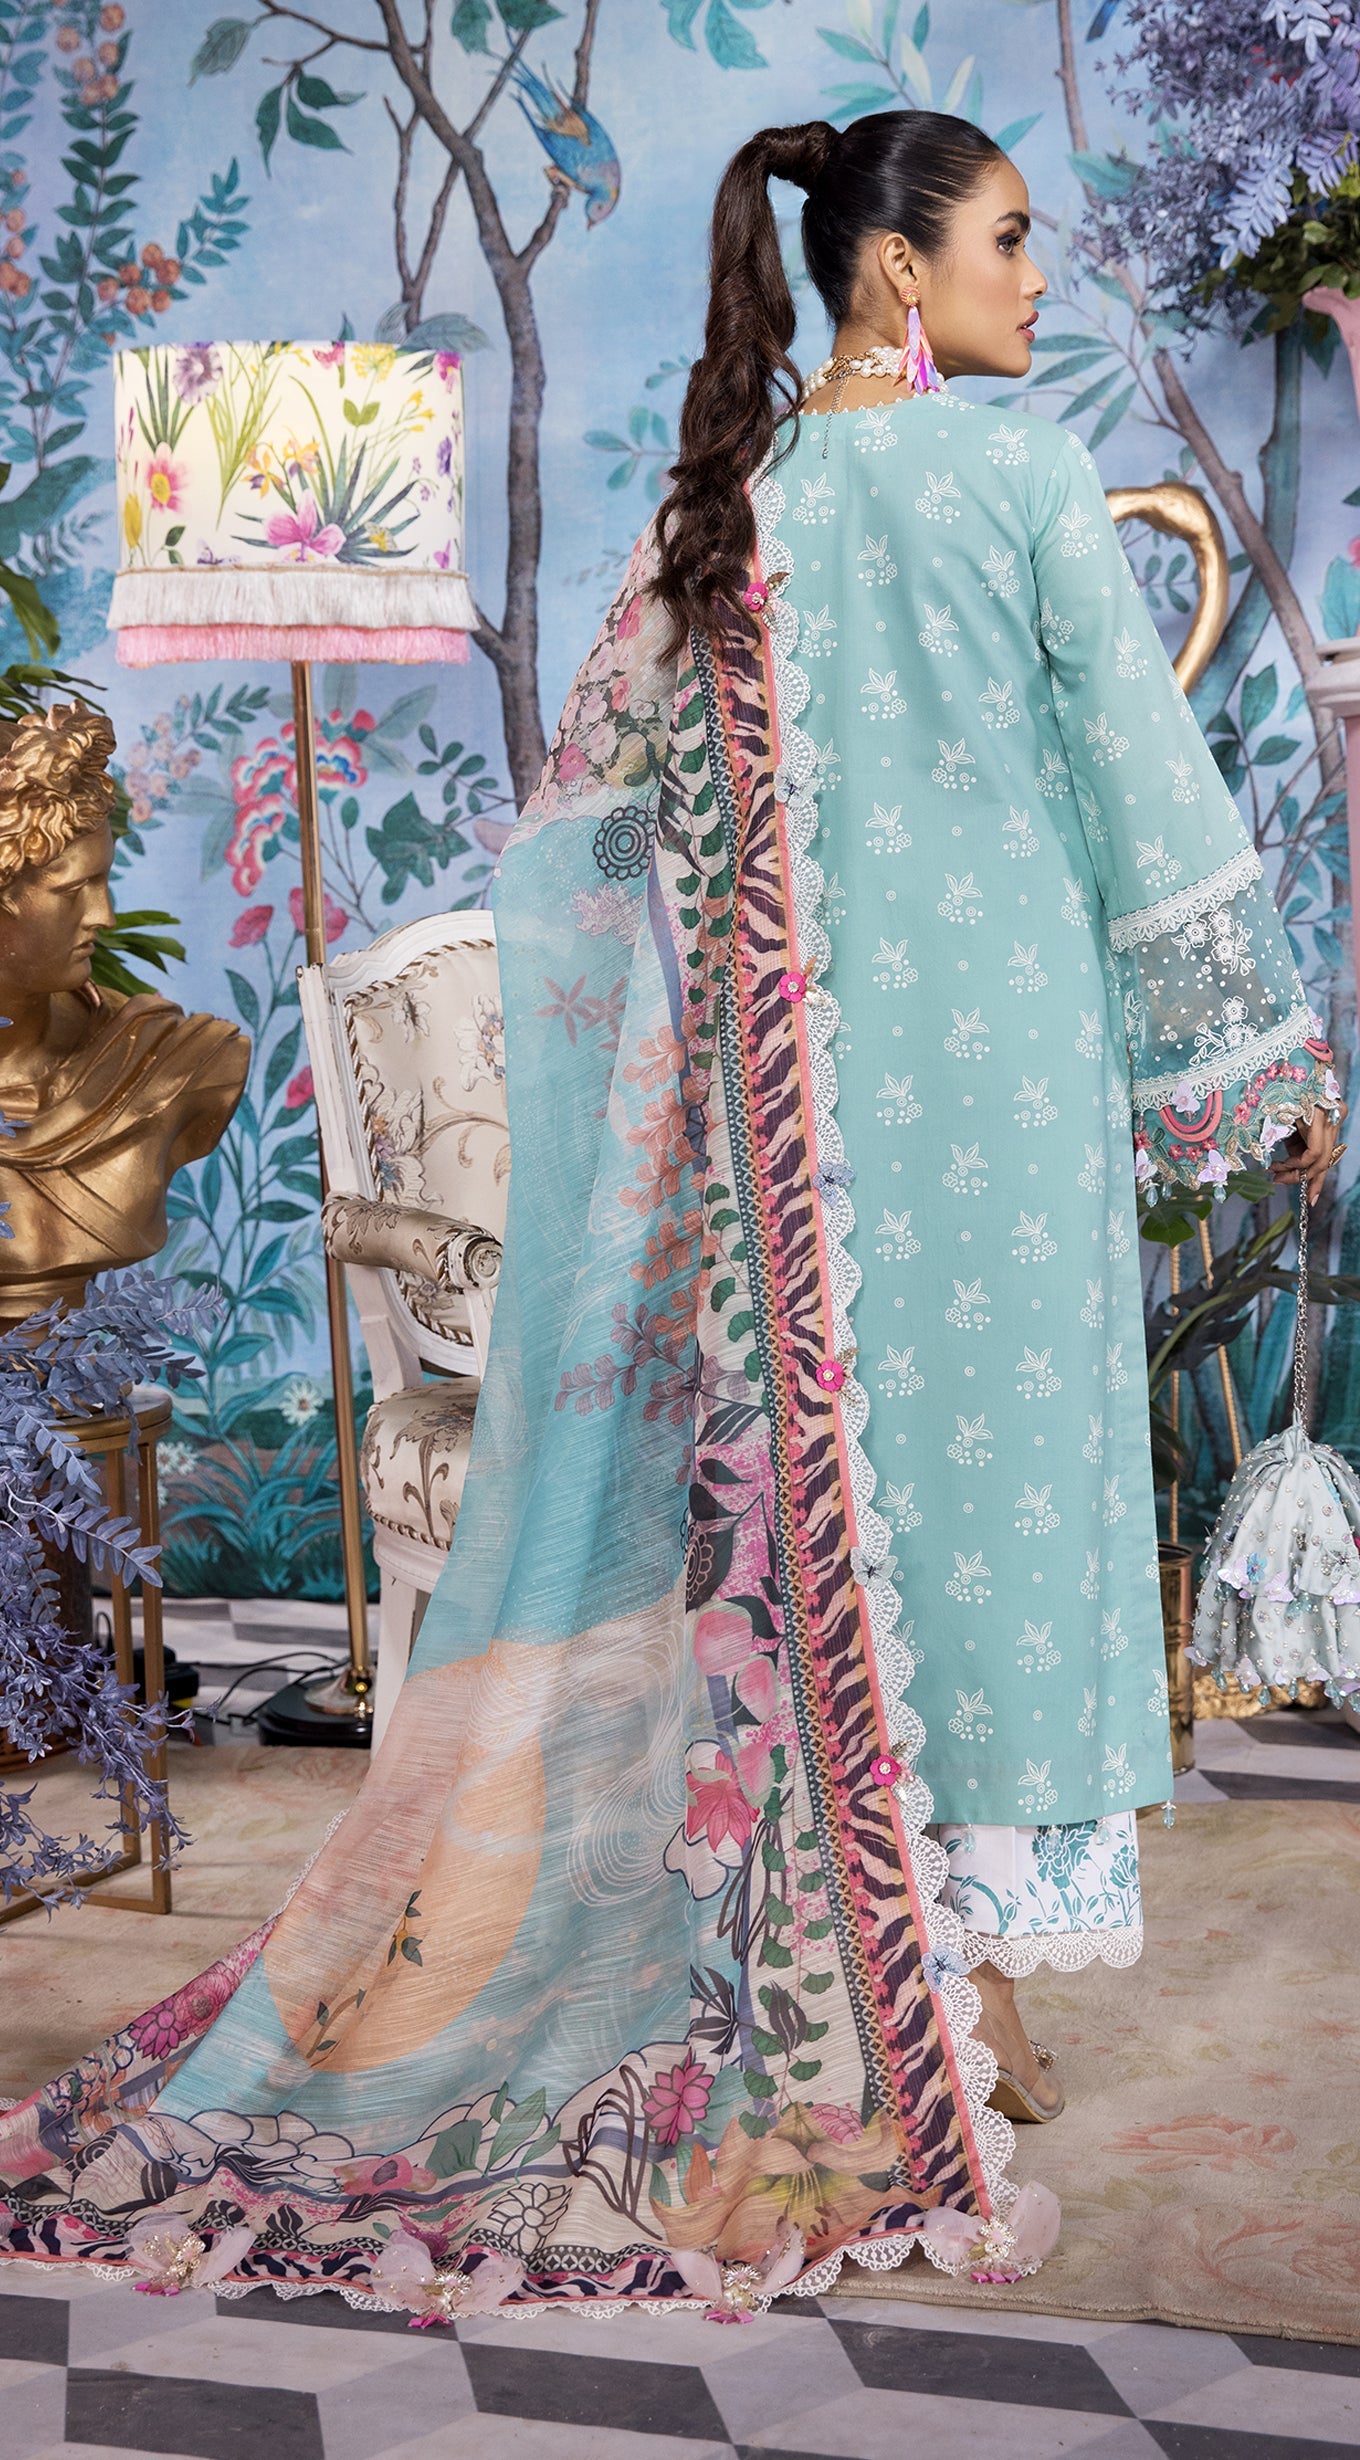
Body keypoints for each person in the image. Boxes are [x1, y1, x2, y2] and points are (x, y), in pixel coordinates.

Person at [0, 111, 1343, 2322]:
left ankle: (905, 1991)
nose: (1035, 279)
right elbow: (1139, 775)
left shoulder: (731, 502)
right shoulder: (1016, 477)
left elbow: (575, 830)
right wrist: (1257, 1060)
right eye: (1009, 240)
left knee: (848, 1519)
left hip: (798, 1126)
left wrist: (713, 1032)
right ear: (895, 268)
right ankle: (967, 1996)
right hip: (1004, 1083)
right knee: (1006, 1513)